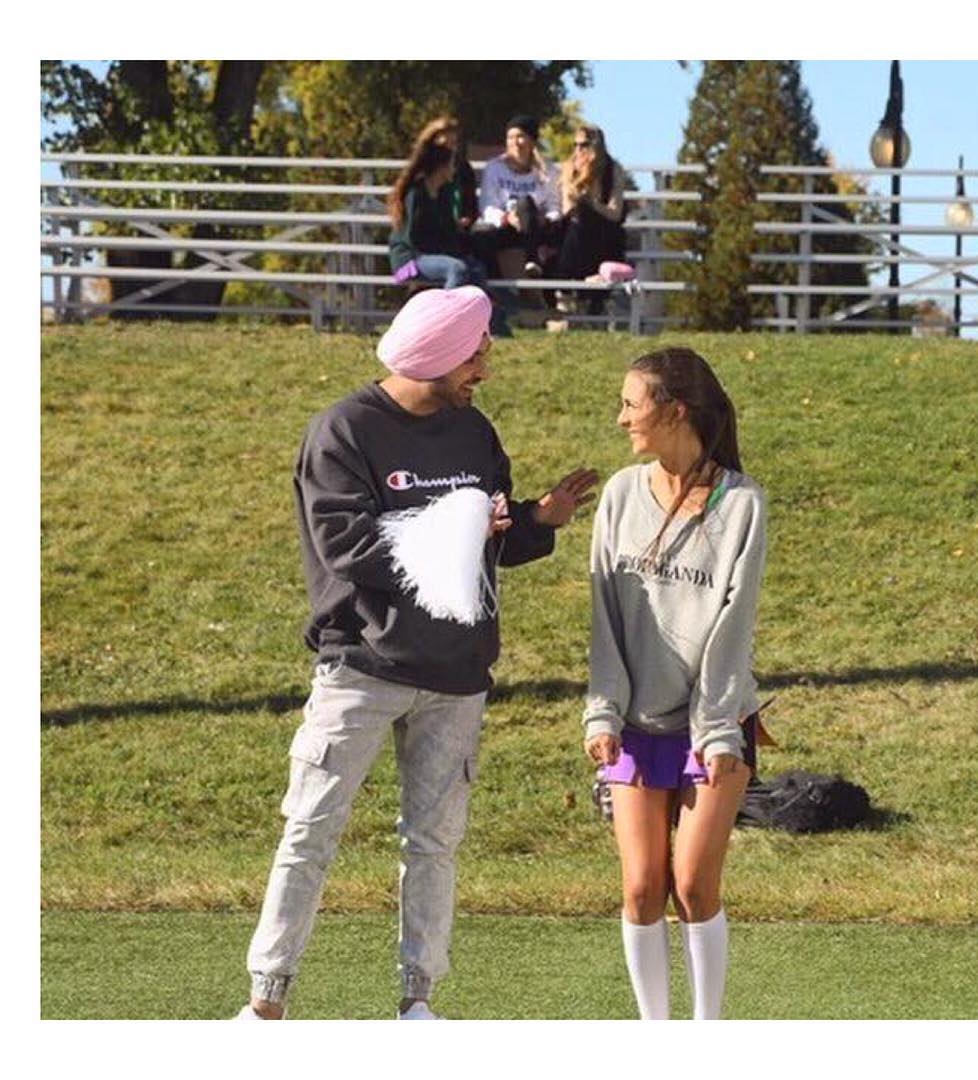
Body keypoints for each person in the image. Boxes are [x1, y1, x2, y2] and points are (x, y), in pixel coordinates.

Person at [237, 286, 598, 1020]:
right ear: (436, 352)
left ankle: (418, 1005)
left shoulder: (473, 432)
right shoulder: (343, 432)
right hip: (361, 667)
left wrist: (537, 519)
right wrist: (464, 527)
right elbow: (349, 548)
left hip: (458, 675)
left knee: (434, 844)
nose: (483, 371)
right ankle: (266, 1003)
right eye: (474, 356)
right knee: (310, 831)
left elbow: (493, 539)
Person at [582, 347, 766, 1021]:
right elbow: (604, 616)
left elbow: (732, 627)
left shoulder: (742, 504)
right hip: (634, 723)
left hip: (713, 721)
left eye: (631, 403)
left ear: (674, 410)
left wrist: (716, 732)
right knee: (640, 887)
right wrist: (602, 714)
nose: (621, 417)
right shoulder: (620, 495)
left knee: (691, 884)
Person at [387, 141, 487, 291]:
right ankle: (448, 307)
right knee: (456, 268)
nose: (454, 170)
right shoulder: (416, 194)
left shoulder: (442, 194)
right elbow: (413, 239)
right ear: (441, 168)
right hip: (408, 263)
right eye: (451, 165)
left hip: (432, 256)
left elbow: (447, 232)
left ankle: (479, 306)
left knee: (476, 269)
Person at [476, 114, 562, 277]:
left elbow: (554, 205)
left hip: (538, 229)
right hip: (507, 227)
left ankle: (532, 261)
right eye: (510, 137)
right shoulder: (495, 167)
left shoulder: (548, 170)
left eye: (520, 136)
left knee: (525, 202)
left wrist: (545, 219)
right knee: (481, 237)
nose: (514, 142)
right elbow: (488, 205)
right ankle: (498, 286)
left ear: (532, 141)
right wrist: (507, 218)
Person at [555, 124, 628, 312]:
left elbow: (615, 213)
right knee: (576, 219)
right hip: (574, 232)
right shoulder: (569, 168)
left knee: (585, 213)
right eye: (576, 145)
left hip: (603, 229)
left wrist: (592, 201)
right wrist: (575, 193)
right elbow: (566, 210)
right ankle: (570, 287)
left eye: (584, 145)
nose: (579, 150)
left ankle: (571, 287)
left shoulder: (612, 169)